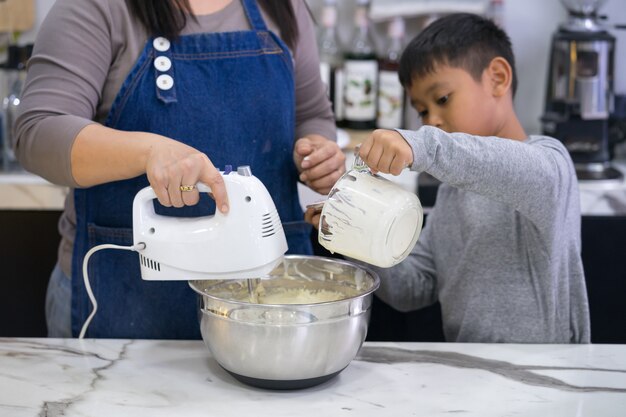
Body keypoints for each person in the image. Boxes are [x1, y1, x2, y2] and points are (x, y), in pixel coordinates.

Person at [14, 0, 346, 339]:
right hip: (123, 298)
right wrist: (149, 152)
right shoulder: (97, 7)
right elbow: (38, 133)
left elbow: (312, 115)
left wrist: (318, 152)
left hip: (267, 301)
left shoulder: (283, 7)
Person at [306, 13, 590, 343]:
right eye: (423, 111)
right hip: (472, 377)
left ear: (497, 78)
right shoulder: (451, 194)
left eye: (442, 99)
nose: (432, 120)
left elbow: (500, 165)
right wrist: (351, 233)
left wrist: (419, 143)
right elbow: (414, 286)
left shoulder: (550, 164)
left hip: (545, 379)